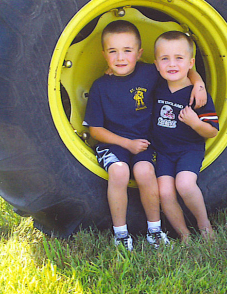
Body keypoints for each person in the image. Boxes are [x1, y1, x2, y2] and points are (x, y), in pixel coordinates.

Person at [83, 20, 207, 251]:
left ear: (139, 53)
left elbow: (179, 69)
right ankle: (121, 233)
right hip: (114, 144)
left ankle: (155, 230)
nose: (120, 58)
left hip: (143, 143)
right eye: (113, 52)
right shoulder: (100, 86)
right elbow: (96, 130)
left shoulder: (150, 73)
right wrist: (126, 144)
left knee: (145, 171)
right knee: (119, 172)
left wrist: (198, 83)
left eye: (127, 51)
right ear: (104, 54)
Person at [152, 31, 219, 243]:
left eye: (179, 58)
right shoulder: (157, 87)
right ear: (156, 64)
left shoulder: (197, 96)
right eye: (165, 59)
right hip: (162, 152)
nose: (172, 64)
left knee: (185, 185)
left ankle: (204, 225)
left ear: (191, 63)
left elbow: (212, 131)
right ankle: (184, 236)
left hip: (189, 149)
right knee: (164, 193)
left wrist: (195, 123)